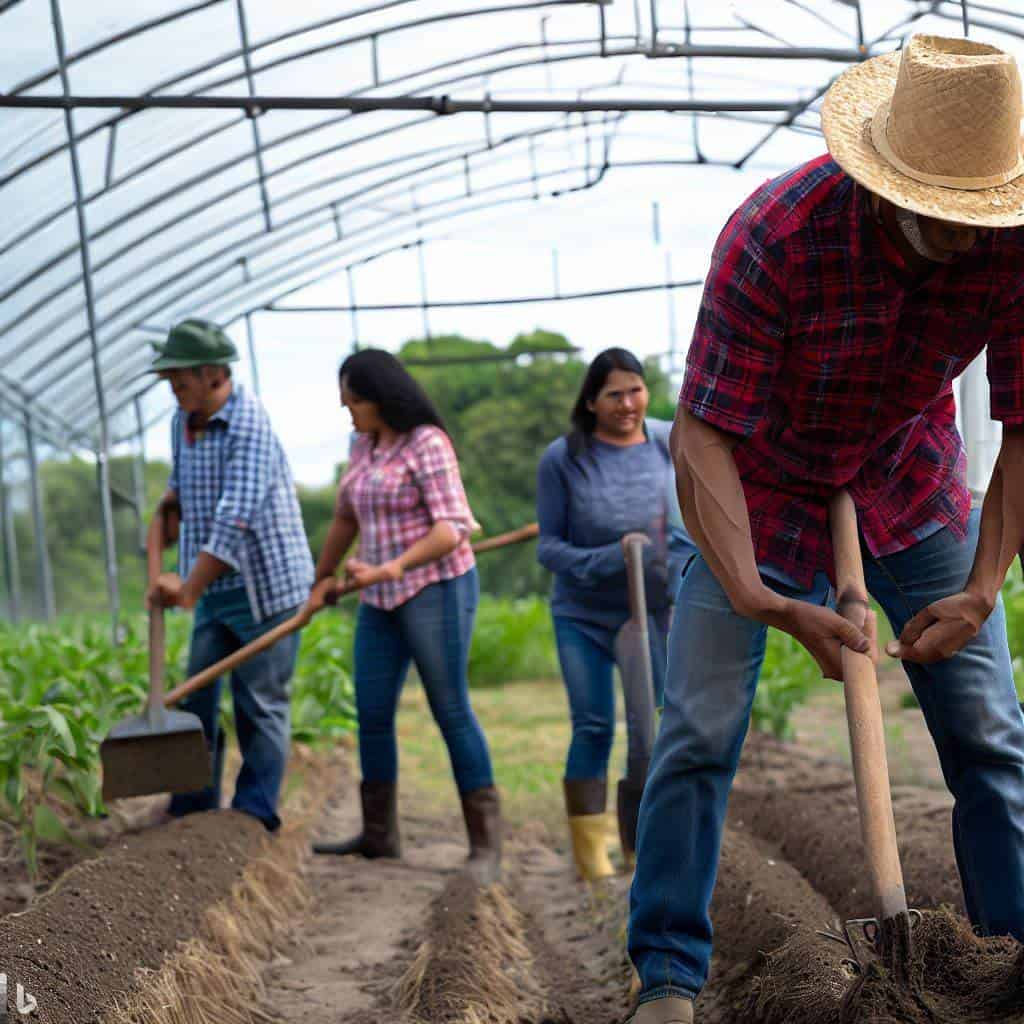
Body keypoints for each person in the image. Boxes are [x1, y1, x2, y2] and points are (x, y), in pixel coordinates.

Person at [626, 35, 1024, 1024]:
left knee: (988, 732)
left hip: (906, 472)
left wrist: (981, 587)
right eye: (948, 215)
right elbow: (701, 434)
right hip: (756, 479)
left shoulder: (1013, 241)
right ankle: (668, 974)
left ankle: (1012, 955)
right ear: (892, 186)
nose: (972, 234)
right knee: (699, 730)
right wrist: (760, 596)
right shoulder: (779, 233)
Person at [307, 348, 503, 884]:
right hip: (378, 598)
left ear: (378, 398)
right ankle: (378, 835)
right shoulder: (363, 445)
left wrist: (390, 567)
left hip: (434, 585)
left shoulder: (428, 443)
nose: (348, 414)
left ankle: (485, 846)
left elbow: (450, 529)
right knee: (371, 712)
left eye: (353, 403)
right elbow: (347, 514)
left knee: (449, 707)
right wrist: (322, 576)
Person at [147, 318, 314, 832]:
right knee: (197, 696)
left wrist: (189, 588)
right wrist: (159, 564)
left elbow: (234, 520)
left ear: (212, 373)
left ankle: (253, 817)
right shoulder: (184, 422)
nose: (172, 387)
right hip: (218, 587)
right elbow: (176, 496)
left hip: (267, 590)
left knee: (259, 702)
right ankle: (193, 807)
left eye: (179, 377)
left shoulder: (249, 425)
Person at [537, 348, 694, 881]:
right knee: (593, 724)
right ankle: (590, 857)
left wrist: (672, 573)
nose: (627, 403)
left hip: (650, 611)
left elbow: (692, 521)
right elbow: (550, 549)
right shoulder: (565, 458)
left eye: (635, 390)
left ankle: (637, 846)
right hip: (581, 615)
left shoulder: (669, 443)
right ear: (591, 401)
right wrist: (611, 556)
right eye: (613, 394)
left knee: (647, 729)